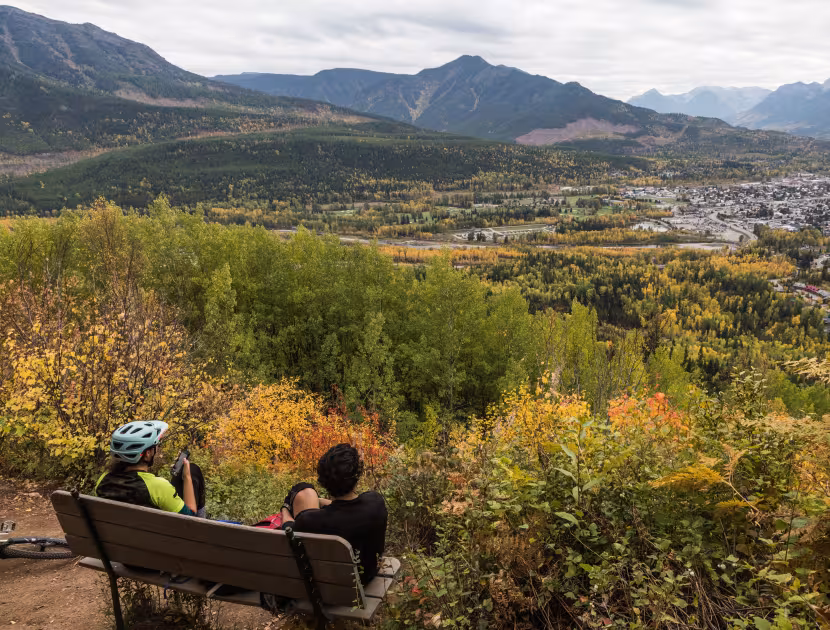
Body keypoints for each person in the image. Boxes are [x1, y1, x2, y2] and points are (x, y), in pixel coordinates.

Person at [279, 443, 387, 585]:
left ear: (324, 482)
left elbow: (288, 526)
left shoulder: (310, 521)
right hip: (365, 580)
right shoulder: (375, 502)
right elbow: (347, 509)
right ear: (357, 476)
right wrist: (320, 501)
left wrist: (285, 508)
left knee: (303, 488)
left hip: (327, 587)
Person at [95, 420, 204, 516]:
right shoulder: (158, 487)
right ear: (147, 454)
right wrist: (187, 476)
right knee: (194, 471)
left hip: (113, 537)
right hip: (153, 539)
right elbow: (189, 520)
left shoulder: (103, 480)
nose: (157, 449)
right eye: (155, 446)